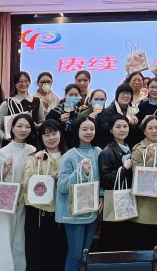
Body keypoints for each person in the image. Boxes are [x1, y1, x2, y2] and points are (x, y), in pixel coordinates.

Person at [0, 113, 37, 270]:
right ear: (12, 128)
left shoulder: (33, 150)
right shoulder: (2, 152)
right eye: (19, 126)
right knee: (3, 243)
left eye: (27, 127)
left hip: (24, 203)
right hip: (4, 203)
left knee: (19, 242)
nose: (23, 130)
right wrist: (5, 169)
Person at [57, 116, 102, 271]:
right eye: (84, 129)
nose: (89, 132)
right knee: (75, 254)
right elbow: (62, 185)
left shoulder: (98, 152)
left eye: (92, 129)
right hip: (73, 214)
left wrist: (102, 195)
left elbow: (102, 179)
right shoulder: (70, 155)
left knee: (86, 254)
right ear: (77, 132)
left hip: (92, 210)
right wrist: (80, 172)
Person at [24, 119, 69, 271]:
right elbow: (26, 183)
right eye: (46, 135)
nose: (51, 138)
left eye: (54, 133)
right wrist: (37, 164)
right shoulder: (34, 157)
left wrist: (61, 178)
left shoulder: (68, 155)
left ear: (60, 134)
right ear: (41, 138)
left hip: (61, 211)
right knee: (36, 253)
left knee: (58, 253)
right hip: (38, 212)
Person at [129, 115, 157, 252]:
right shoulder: (138, 150)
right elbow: (140, 177)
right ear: (144, 131)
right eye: (150, 128)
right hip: (145, 206)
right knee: (143, 249)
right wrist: (150, 158)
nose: (154, 131)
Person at [98, 114, 135, 251]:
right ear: (111, 130)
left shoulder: (132, 148)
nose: (122, 130)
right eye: (118, 127)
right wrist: (124, 169)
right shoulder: (107, 151)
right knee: (113, 242)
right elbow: (106, 181)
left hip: (130, 201)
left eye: (125, 126)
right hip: (115, 203)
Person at [45, 83, 89, 149]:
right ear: (65, 96)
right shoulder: (55, 112)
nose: (73, 97)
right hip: (59, 146)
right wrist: (60, 121)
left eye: (76, 95)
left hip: (76, 146)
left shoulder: (80, 112)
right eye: (71, 95)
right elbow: (48, 127)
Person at [0, 72, 37, 140]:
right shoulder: (7, 103)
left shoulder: (37, 101)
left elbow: (42, 121)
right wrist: (5, 137)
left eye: (26, 81)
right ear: (15, 84)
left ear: (30, 83)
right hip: (11, 142)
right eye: (20, 81)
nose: (23, 84)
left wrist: (36, 126)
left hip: (32, 141)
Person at [97, 84, 137, 149]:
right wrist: (127, 123)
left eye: (128, 93)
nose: (126, 96)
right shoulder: (109, 111)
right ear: (117, 95)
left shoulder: (133, 110)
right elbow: (104, 129)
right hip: (110, 146)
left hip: (128, 145)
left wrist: (134, 125)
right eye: (123, 93)